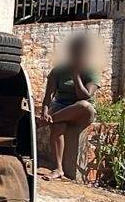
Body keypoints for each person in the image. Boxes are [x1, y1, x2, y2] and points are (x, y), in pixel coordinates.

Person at [38, 34, 99, 181]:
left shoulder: (91, 71)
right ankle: (58, 169)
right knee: (57, 126)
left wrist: (76, 75)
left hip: (81, 111)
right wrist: (45, 112)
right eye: (75, 52)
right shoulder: (58, 71)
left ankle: (46, 121)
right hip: (61, 107)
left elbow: (84, 96)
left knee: (82, 106)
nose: (77, 56)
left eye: (81, 53)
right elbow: (48, 97)